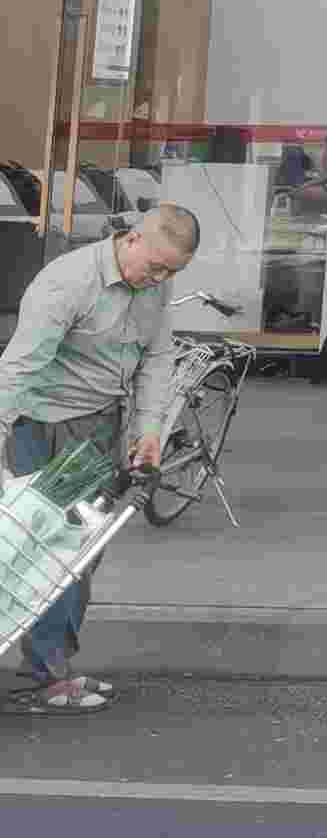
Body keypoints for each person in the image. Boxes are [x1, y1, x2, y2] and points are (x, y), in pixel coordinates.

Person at [1, 202, 199, 711]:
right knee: (54, 556)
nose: (160, 280)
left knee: (82, 555)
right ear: (132, 239)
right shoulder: (67, 283)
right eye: (155, 267)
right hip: (46, 428)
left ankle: (53, 669)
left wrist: (149, 429)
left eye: (171, 273)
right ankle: (44, 678)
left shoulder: (154, 283)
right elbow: (17, 369)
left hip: (100, 424)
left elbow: (157, 357)